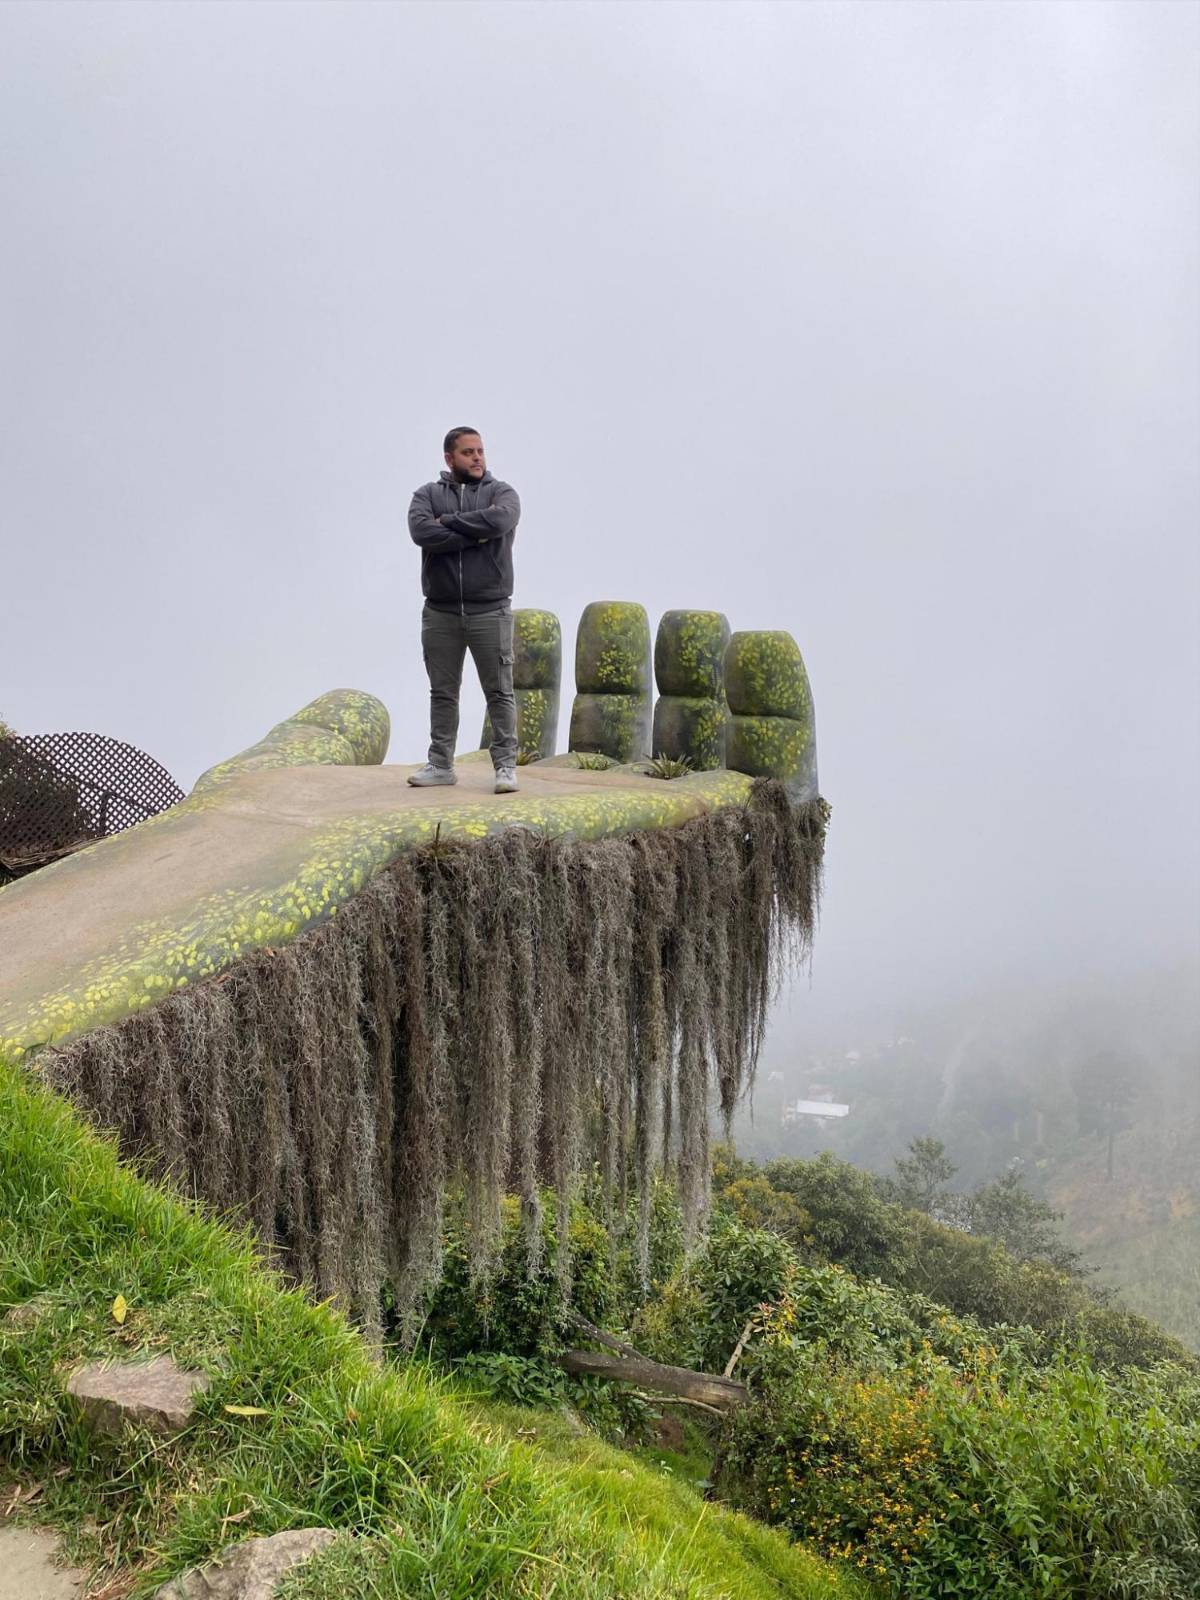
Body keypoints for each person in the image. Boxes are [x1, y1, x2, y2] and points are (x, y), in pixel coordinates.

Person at [407, 428, 520, 793]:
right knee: (443, 693)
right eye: (468, 452)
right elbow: (422, 533)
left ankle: (506, 767)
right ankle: (441, 765)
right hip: (440, 613)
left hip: (491, 611)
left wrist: (449, 521)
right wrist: (477, 535)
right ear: (449, 458)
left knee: (499, 692)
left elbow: (500, 521)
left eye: (480, 451)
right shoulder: (426, 495)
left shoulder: (502, 493)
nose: (477, 457)